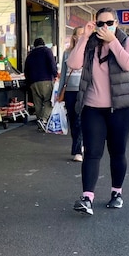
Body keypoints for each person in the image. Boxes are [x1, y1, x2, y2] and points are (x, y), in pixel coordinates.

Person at [66, 8, 129, 215]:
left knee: (117, 152)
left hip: (120, 108)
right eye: (100, 23)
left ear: (116, 22)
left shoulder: (127, 42)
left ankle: (117, 193)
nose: (105, 27)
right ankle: (87, 197)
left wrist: (112, 41)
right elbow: (73, 64)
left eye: (109, 23)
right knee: (92, 153)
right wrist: (84, 37)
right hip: (92, 108)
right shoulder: (90, 43)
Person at [58, 27, 84, 161]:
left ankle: (78, 150)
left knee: (80, 120)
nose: (82, 36)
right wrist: (59, 92)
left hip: (84, 91)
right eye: (80, 34)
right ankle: (78, 145)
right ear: (74, 37)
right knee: (73, 121)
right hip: (69, 91)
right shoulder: (67, 53)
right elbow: (63, 74)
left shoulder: (88, 52)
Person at [23, 37, 58, 130]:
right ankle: (43, 120)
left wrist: (29, 82)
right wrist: (56, 75)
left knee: (37, 103)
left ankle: (40, 122)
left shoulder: (30, 55)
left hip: (33, 83)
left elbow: (26, 70)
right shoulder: (47, 51)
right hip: (45, 79)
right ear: (44, 43)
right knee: (49, 100)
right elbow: (52, 64)